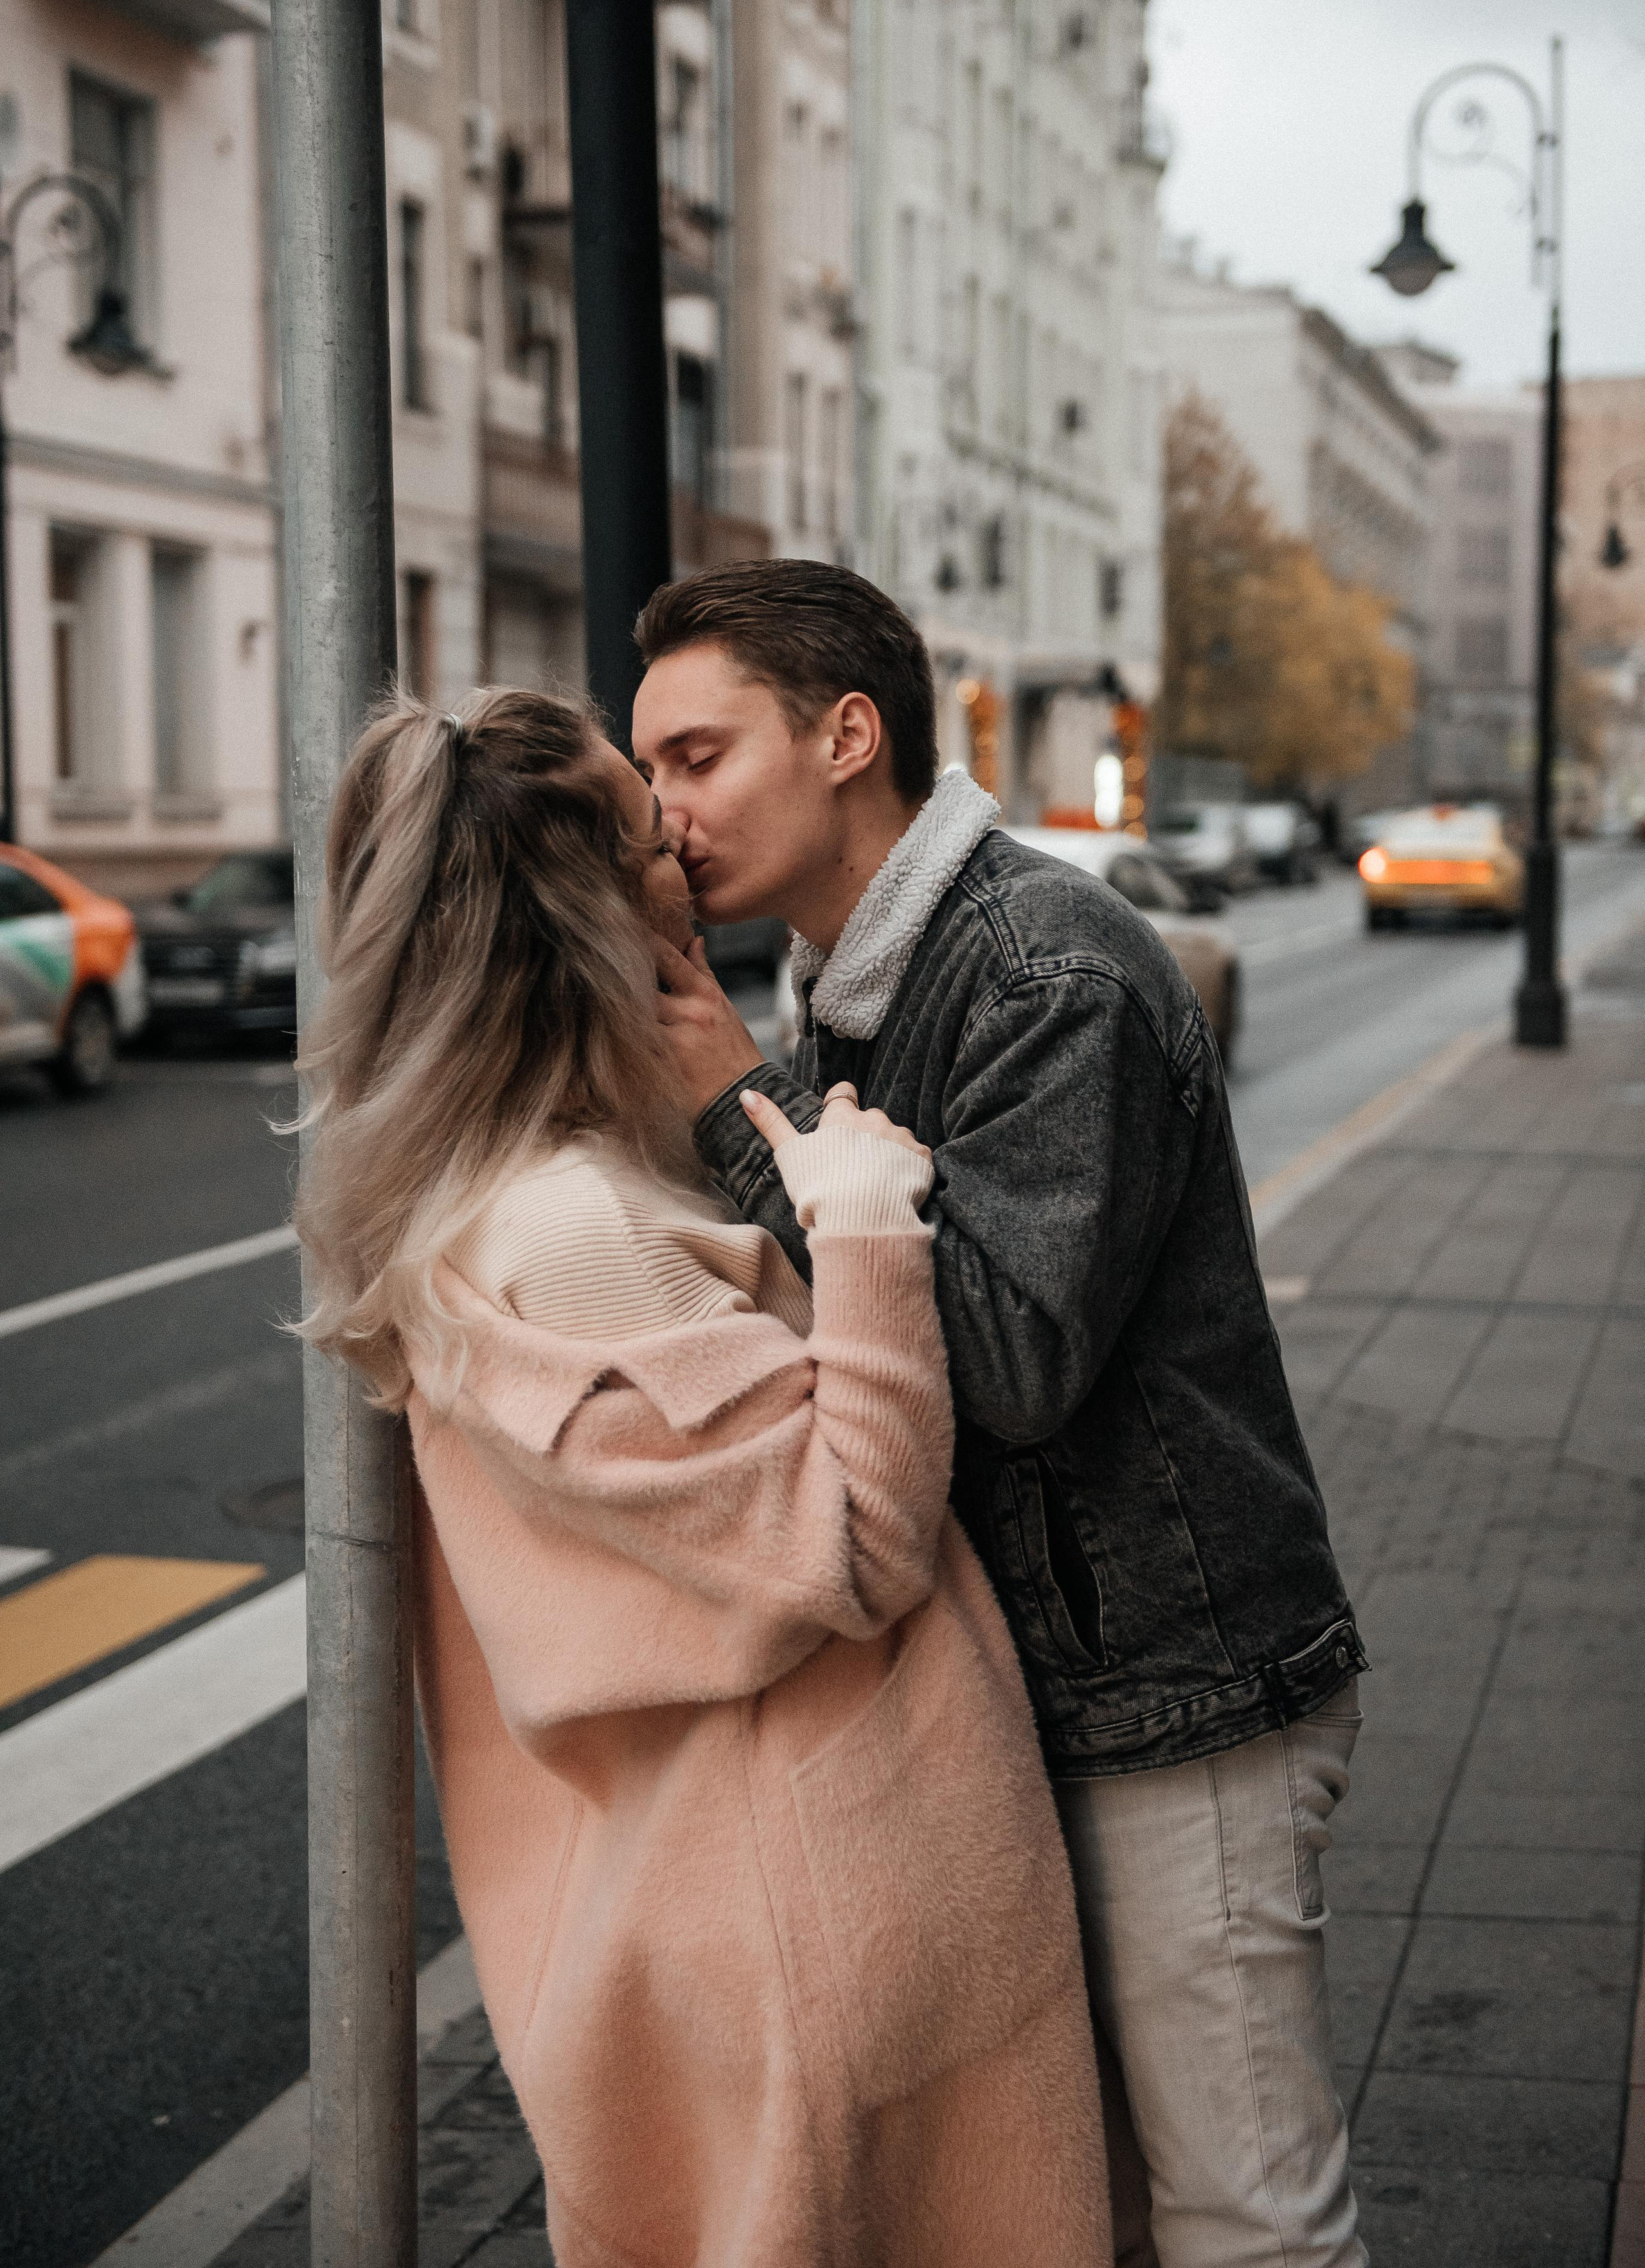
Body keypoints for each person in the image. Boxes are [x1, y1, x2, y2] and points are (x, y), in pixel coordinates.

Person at [292, 686, 1112, 2268]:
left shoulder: (519, 1194)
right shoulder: (577, 1236)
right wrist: (863, 1222)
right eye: (634, 819)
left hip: (736, 1895)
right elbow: (853, 1540)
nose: (677, 838)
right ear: (580, 917)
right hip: (815, 1910)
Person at [632, 559, 1369, 2268]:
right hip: (1042, 1701)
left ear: (846, 735)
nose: (665, 816)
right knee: (1088, 2214)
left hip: (1180, 1706)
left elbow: (1011, 1358)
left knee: (1247, 2218)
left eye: (696, 756)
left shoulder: (1045, 968)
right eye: (651, 770)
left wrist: (737, 1105)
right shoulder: (855, 984)